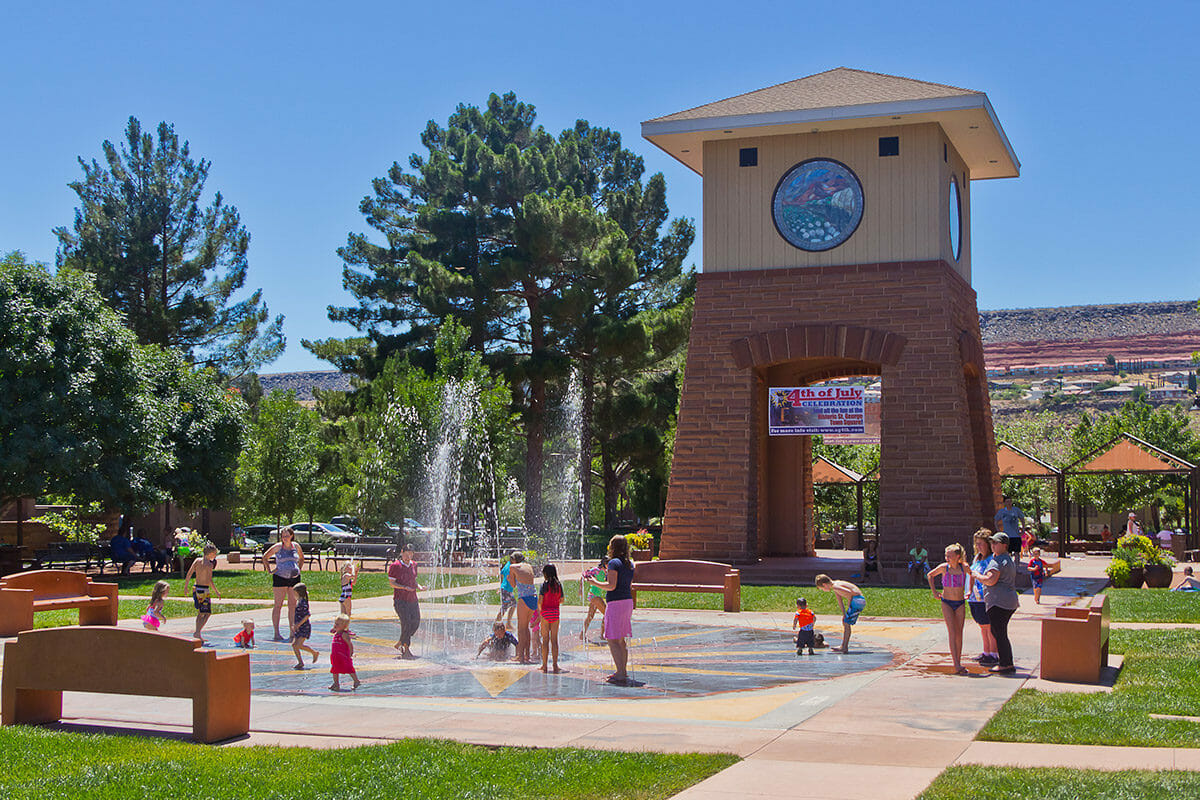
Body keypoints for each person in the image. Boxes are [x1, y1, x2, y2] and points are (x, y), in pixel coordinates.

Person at [589, 534, 637, 686]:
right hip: (627, 601)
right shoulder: (629, 563)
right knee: (621, 639)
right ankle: (622, 670)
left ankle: (621, 673)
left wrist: (594, 582)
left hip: (616, 602)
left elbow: (611, 585)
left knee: (612, 638)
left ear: (612, 547)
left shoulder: (613, 563)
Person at [972, 532, 1020, 674]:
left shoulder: (998, 561)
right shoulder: (1005, 559)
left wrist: (977, 576)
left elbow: (991, 580)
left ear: (1004, 545)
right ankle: (1007, 662)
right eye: (991, 542)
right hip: (1007, 601)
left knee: (999, 632)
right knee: (999, 632)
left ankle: (1005, 664)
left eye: (996, 543)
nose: (992, 546)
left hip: (999, 602)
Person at [927, 543, 970, 674]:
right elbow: (930, 575)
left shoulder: (964, 567)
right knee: (952, 631)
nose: (947, 558)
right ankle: (956, 663)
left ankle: (958, 659)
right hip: (947, 602)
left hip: (960, 602)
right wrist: (934, 592)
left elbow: (972, 575)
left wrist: (969, 590)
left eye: (949, 556)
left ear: (957, 557)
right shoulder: (944, 568)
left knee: (959, 632)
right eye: (946, 556)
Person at [262, 527, 304, 641]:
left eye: (287, 536)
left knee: (292, 605)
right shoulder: (277, 547)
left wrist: (298, 569)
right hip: (280, 577)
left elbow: (301, 558)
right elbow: (265, 556)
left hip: (294, 579)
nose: (285, 538)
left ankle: (292, 632)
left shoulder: (296, 546)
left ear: (291, 536)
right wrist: (269, 570)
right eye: (283, 536)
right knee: (278, 605)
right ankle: (276, 632)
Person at [968, 530, 999, 665]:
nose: (979, 547)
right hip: (975, 597)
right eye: (977, 544)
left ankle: (993, 653)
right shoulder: (976, 559)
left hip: (986, 597)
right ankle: (986, 652)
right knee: (982, 626)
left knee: (989, 626)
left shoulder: (991, 560)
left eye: (981, 544)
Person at [388, 543, 424, 659]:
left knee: (416, 622)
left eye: (411, 554)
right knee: (406, 623)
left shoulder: (414, 565)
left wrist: (419, 586)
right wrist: (404, 587)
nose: (408, 557)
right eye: (406, 554)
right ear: (402, 553)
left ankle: (401, 641)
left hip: (413, 599)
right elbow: (392, 583)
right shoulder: (395, 566)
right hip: (401, 601)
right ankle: (405, 649)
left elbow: (414, 580)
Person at [815, 575, 865, 654]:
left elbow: (849, 594)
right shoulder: (835, 585)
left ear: (824, 584)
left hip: (857, 600)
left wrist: (849, 607)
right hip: (858, 600)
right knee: (845, 621)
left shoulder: (836, 587)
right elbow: (840, 601)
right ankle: (844, 646)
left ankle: (844, 647)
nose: (823, 590)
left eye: (822, 589)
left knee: (846, 622)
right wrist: (844, 613)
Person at [183, 543, 222, 642]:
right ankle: (197, 632)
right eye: (214, 554)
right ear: (210, 554)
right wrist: (216, 591)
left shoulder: (197, 561)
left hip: (196, 588)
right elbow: (209, 580)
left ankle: (198, 632)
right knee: (207, 613)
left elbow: (189, 574)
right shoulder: (209, 564)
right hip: (203, 590)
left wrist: (186, 586)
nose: (215, 556)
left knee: (201, 612)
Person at [508, 551, 537, 664]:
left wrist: (509, 577)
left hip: (524, 599)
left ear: (514, 560)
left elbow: (513, 585)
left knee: (521, 629)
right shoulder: (528, 566)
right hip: (533, 598)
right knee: (526, 628)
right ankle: (527, 656)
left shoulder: (512, 567)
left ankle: (520, 657)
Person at [539, 563, 564, 673]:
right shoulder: (558, 585)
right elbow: (562, 600)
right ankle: (555, 664)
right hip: (555, 613)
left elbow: (540, 601)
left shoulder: (544, 585)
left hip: (545, 613)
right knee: (554, 640)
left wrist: (541, 611)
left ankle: (544, 665)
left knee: (545, 640)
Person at [329, 614, 360, 691]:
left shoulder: (344, 634)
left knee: (349, 668)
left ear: (344, 626)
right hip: (335, 655)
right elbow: (332, 630)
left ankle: (356, 681)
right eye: (335, 623)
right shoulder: (336, 633)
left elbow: (350, 644)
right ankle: (336, 683)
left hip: (343, 656)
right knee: (334, 669)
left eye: (337, 624)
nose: (335, 625)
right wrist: (334, 628)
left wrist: (351, 653)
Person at [291, 582, 319, 669]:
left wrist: (298, 625)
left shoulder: (303, 602)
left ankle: (314, 653)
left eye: (294, 592)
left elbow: (307, 615)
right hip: (299, 627)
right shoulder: (299, 601)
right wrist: (294, 625)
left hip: (304, 627)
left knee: (298, 645)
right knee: (294, 645)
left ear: (299, 592)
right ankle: (300, 662)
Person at [580, 558, 608, 641]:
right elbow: (583, 575)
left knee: (590, 616)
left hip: (595, 595)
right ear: (604, 564)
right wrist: (580, 588)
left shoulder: (606, 572)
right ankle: (602, 634)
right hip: (594, 596)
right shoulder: (596, 570)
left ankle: (582, 634)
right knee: (607, 614)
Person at [495, 554, 517, 627]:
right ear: (514, 560)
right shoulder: (510, 568)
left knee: (513, 604)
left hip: (505, 589)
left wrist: (500, 586)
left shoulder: (508, 564)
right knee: (504, 608)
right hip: (506, 590)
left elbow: (501, 574)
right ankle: (496, 624)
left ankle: (507, 623)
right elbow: (508, 577)